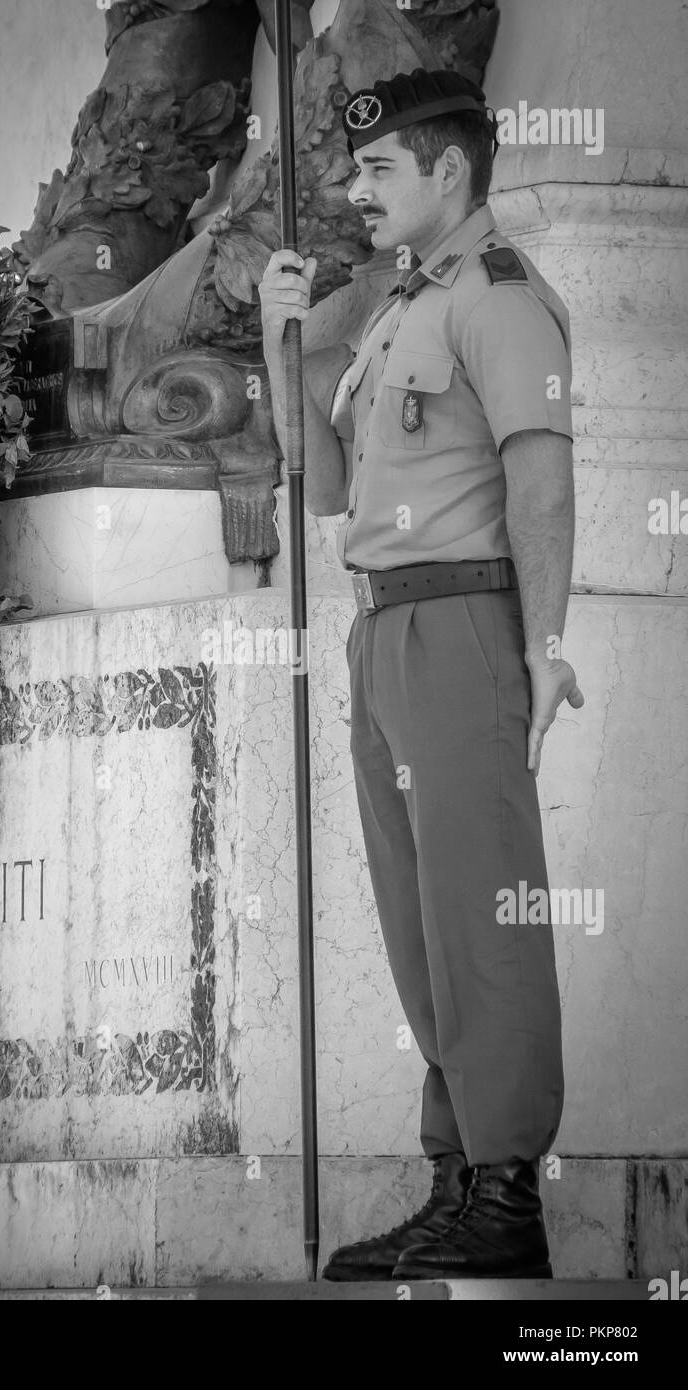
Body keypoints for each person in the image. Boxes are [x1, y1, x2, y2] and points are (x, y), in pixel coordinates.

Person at [258, 67, 584, 1282]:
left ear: (448, 171)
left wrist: (544, 649)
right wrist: (279, 339)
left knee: (481, 912)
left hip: (461, 627)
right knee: (419, 923)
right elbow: (324, 480)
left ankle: (505, 1193)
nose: (354, 191)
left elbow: (540, 478)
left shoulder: (497, 300)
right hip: (382, 628)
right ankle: (454, 1178)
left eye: (377, 168)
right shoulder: (398, 307)